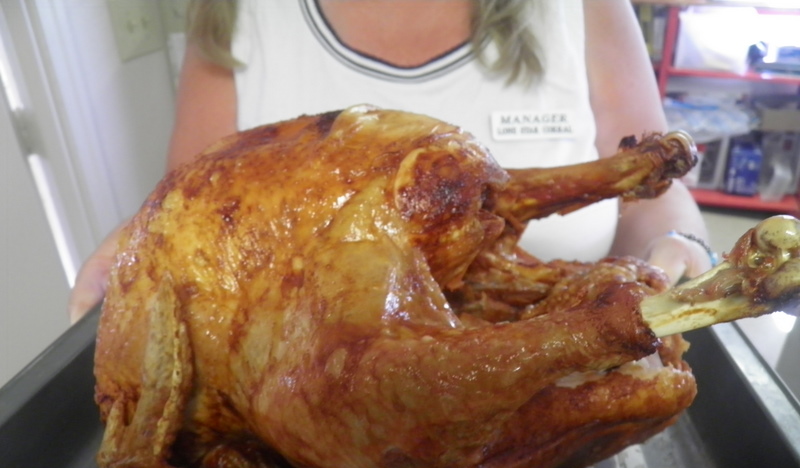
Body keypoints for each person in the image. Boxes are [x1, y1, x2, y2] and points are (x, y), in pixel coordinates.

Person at [68, 0, 712, 323]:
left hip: (565, 392)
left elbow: (652, 194)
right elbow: (191, 212)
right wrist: (138, 245)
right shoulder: (238, 13)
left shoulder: (581, 8)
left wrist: (678, 245)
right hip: (308, 415)